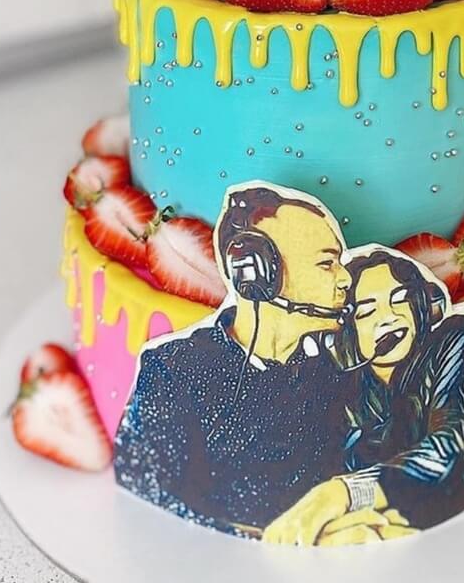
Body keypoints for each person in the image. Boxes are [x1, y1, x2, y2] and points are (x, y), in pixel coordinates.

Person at [113, 184, 362, 537]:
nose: (346, 278)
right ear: (257, 274)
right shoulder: (173, 372)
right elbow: (148, 489)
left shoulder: (334, 374)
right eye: (327, 263)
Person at [263, 248, 464, 544]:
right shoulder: (342, 387)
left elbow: (448, 446)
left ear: (422, 308)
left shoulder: (454, 340)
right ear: (344, 333)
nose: (389, 318)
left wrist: (344, 493)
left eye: (401, 300)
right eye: (366, 312)